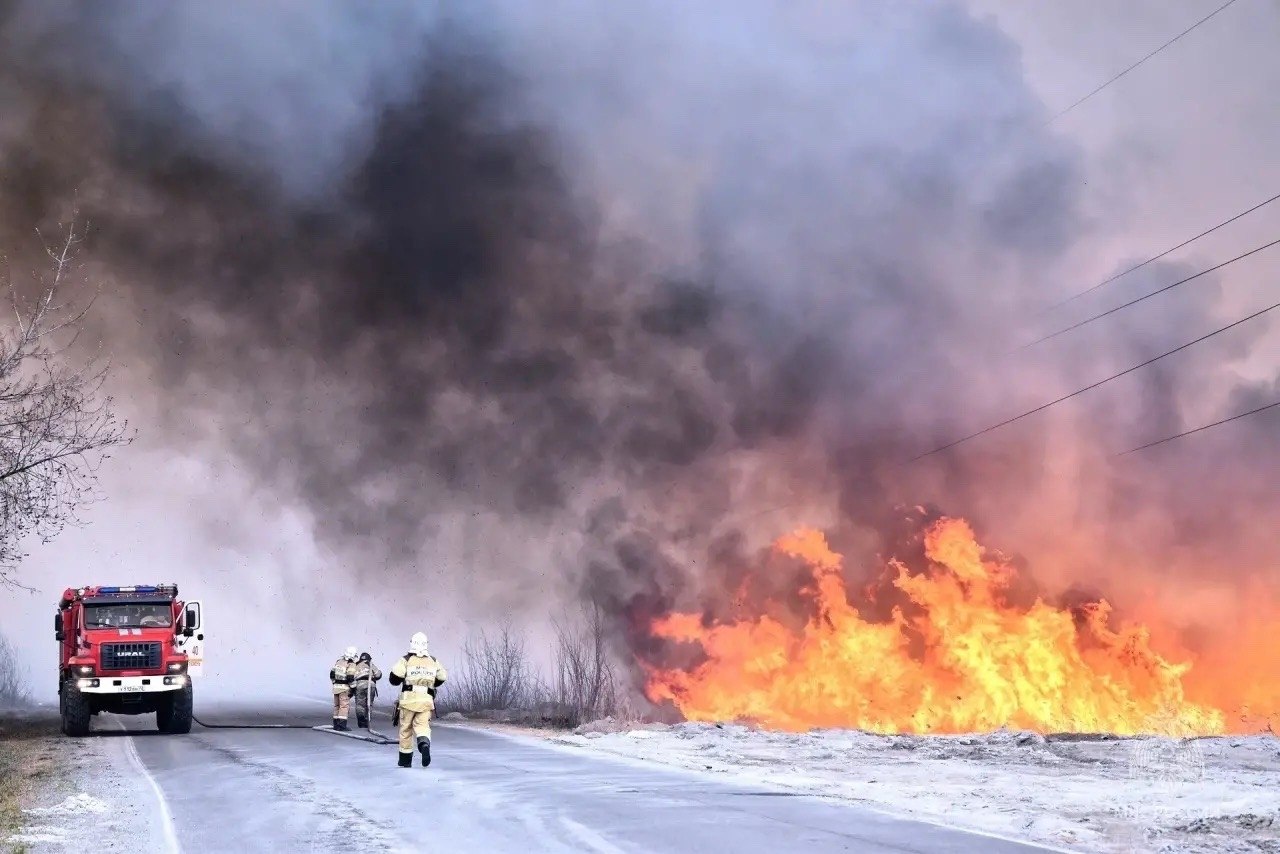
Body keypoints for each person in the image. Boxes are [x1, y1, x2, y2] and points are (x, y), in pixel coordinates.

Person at [387, 632, 446, 768]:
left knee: (406, 730)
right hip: (426, 701)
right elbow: (442, 677)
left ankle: (405, 761)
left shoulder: (406, 659)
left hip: (408, 701)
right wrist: (430, 683)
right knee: (422, 727)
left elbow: (395, 678)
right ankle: (424, 744)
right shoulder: (433, 660)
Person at [328, 646, 359, 731]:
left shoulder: (338, 662)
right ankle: (342, 726)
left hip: (336, 688)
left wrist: (335, 683)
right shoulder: (351, 663)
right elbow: (350, 677)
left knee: (337, 706)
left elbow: (332, 674)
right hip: (344, 689)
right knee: (344, 707)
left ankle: (336, 725)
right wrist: (353, 688)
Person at [351, 651, 382, 729]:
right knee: (369, 703)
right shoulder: (370, 664)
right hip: (371, 685)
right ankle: (368, 721)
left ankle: (361, 722)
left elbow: (351, 676)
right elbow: (378, 675)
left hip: (360, 685)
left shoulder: (356, 665)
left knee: (360, 704)